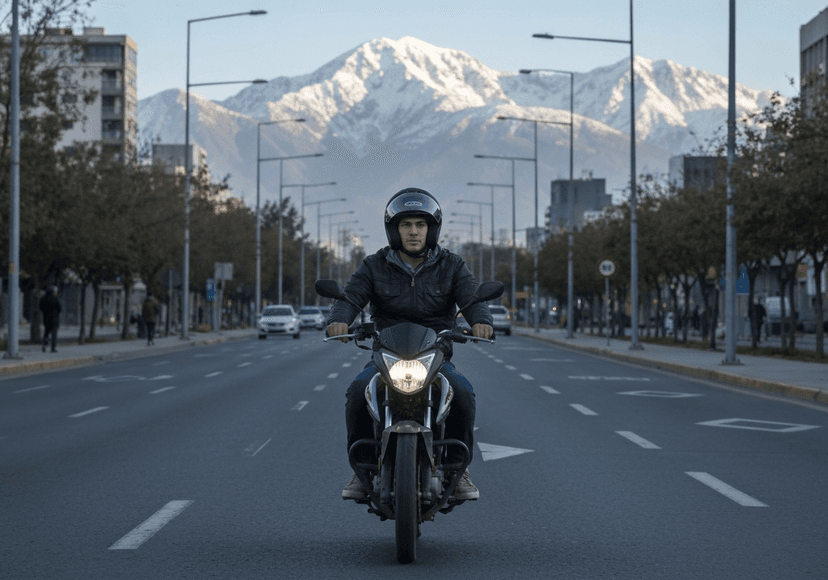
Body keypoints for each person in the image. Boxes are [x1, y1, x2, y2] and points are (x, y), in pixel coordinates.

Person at [326, 187, 493, 502]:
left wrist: (481, 321)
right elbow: (350, 298)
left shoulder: (452, 265)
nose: (414, 231)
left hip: (435, 353)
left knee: (462, 391)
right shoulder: (374, 265)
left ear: (431, 229)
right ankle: (362, 469)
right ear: (394, 229)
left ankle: (459, 468)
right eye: (406, 225)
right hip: (386, 351)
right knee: (358, 390)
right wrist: (340, 319)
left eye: (420, 224)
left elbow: (472, 299)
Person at [39, 286, 62, 353]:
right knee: (54, 333)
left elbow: (41, 307)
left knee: (46, 332)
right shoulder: (55, 298)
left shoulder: (43, 299)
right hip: (55, 318)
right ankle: (53, 347)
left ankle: (44, 344)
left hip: (46, 318)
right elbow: (60, 308)